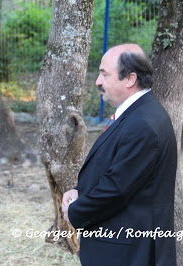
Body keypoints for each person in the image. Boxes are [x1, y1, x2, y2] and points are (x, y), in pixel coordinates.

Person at [62, 43, 177, 265]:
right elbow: (117, 170)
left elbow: (117, 189)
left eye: (104, 74)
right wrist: (79, 192)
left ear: (130, 79)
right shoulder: (137, 114)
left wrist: (75, 211)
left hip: (129, 252)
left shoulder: (143, 123)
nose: (97, 81)